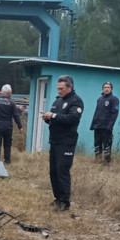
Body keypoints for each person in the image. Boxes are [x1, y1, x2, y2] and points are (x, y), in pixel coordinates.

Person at [42, 75, 84, 211]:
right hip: (54, 140)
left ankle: (65, 202)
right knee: (53, 171)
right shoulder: (58, 101)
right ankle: (58, 198)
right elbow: (54, 117)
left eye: (61, 89)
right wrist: (47, 118)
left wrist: (53, 116)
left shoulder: (76, 102)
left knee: (62, 170)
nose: (59, 91)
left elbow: (72, 118)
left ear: (69, 87)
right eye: (58, 88)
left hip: (66, 141)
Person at [0, 84, 23, 163]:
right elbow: (16, 115)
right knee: (7, 145)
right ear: (9, 92)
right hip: (8, 127)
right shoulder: (12, 103)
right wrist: (20, 126)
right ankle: (7, 161)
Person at [89, 81, 119, 163]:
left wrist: (110, 126)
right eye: (105, 87)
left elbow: (114, 114)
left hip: (106, 127)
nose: (106, 89)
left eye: (108, 87)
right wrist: (92, 125)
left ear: (111, 89)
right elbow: (96, 112)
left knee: (106, 145)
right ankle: (97, 160)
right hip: (97, 126)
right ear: (103, 88)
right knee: (97, 145)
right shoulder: (100, 99)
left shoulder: (114, 99)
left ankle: (106, 162)